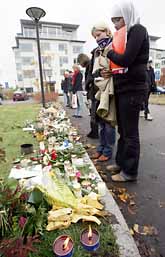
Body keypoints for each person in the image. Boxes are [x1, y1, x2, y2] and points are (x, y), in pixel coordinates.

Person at [105, 0, 149, 181]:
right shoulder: (124, 34)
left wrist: (109, 53)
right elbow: (120, 63)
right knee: (123, 130)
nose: (115, 25)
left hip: (133, 88)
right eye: (113, 21)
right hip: (123, 87)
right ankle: (121, 163)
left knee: (130, 133)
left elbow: (127, 59)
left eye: (117, 20)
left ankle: (130, 172)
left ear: (126, 15)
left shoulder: (137, 30)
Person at [90, 22, 116, 162]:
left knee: (108, 123)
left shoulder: (115, 46)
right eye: (95, 37)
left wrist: (111, 71)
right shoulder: (97, 51)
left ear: (107, 31)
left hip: (111, 90)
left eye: (99, 35)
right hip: (99, 89)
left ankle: (108, 150)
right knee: (100, 123)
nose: (97, 39)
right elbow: (93, 72)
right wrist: (100, 72)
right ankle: (100, 148)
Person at [77, 53, 99, 139]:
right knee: (92, 112)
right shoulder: (89, 65)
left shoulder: (90, 66)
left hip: (93, 92)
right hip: (91, 92)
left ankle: (95, 132)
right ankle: (94, 131)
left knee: (93, 113)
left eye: (80, 62)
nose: (80, 65)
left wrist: (87, 86)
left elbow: (90, 78)